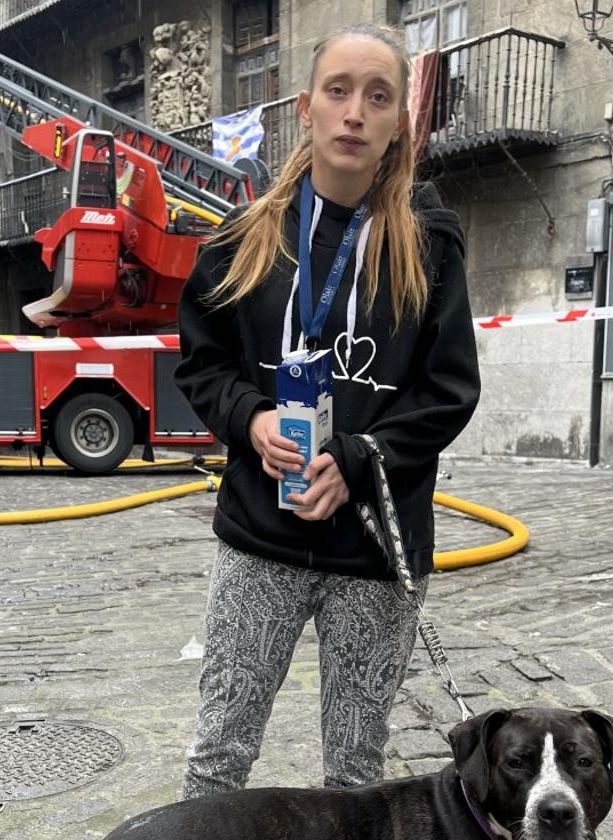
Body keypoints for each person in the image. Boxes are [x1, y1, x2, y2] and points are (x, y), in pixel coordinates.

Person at [174, 23, 480, 798]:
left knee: (354, 774)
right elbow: (201, 363)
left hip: (375, 552)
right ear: (306, 108)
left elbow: (447, 391)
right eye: (339, 92)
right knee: (219, 757)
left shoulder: (430, 242)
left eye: (378, 97)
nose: (355, 112)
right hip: (258, 542)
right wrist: (249, 419)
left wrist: (352, 461)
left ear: (397, 123)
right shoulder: (241, 241)